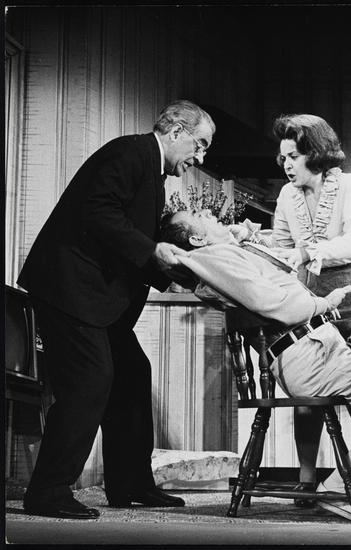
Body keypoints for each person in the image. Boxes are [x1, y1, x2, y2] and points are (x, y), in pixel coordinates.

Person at [159, 209, 351, 523]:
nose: (209, 212)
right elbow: (273, 303)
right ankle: (342, 486)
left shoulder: (226, 253)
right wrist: (326, 302)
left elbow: (279, 265)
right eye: (199, 215)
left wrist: (244, 239)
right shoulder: (214, 257)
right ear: (197, 238)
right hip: (308, 356)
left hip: (314, 349)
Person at [17, 100, 215, 519]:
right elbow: (98, 212)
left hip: (95, 297)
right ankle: (47, 491)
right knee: (89, 381)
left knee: (132, 375)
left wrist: (185, 270)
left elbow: (129, 239)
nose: (200, 157)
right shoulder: (129, 152)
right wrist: (152, 250)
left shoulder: (151, 171)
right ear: (176, 131)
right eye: (200, 144)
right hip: (70, 288)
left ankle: (131, 483)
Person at [269, 113, 351, 503]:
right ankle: (307, 478)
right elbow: (282, 248)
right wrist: (254, 243)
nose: (287, 164)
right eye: (283, 157)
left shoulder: (348, 185)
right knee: (311, 384)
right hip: (316, 298)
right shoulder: (287, 195)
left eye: (293, 156)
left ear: (315, 153)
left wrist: (308, 252)